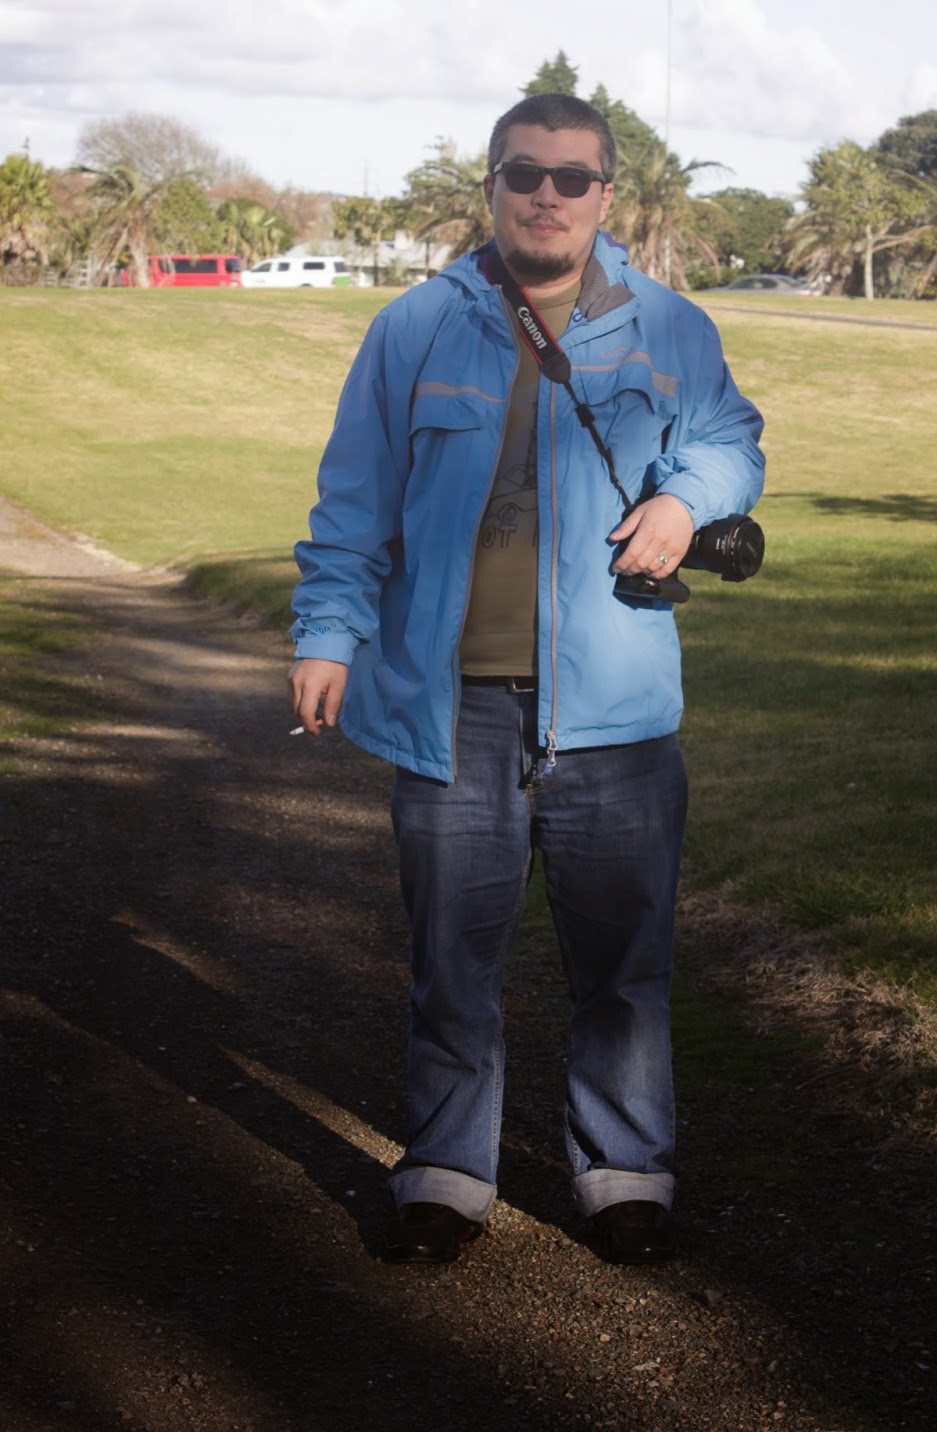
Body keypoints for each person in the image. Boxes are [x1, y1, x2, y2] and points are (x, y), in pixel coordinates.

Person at [289, 93, 765, 1265]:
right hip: (450, 709)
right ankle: (447, 1171)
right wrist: (327, 632)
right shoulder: (413, 327)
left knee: (624, 968)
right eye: (523, 172)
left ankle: (626, 1171)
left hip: (614, 713)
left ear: (605, 194)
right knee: (452, 962)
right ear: (491, 183)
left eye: (571, 176)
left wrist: (684, 497)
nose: (546, 194)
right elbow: (354, 498)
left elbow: (728, 439)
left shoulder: (669, 325)